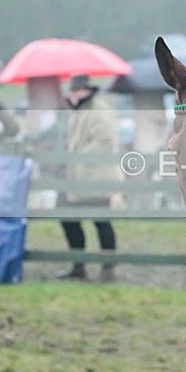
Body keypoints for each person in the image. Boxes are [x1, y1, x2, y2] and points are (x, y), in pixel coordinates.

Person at [57, 74, 122, 282]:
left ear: (88, 90)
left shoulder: (99, 111)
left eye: (77, 91)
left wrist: (76, 157)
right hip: (77, 178)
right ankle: (79, 264)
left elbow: (104, 142)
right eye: (72, 91)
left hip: (96, 177)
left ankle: (107, 268)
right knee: (69, 220)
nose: (74, 95)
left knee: (101, 222)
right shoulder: (79, 112)